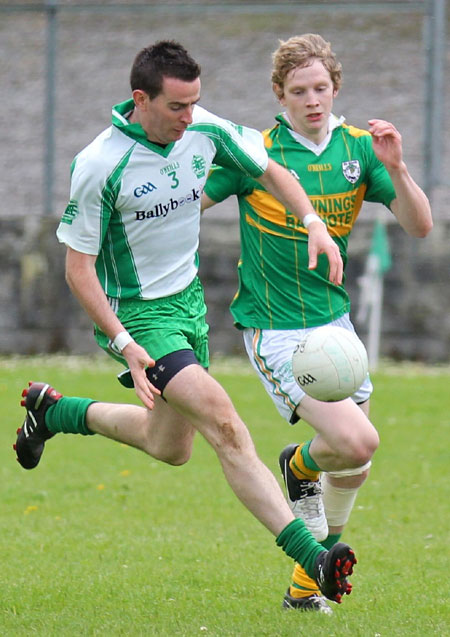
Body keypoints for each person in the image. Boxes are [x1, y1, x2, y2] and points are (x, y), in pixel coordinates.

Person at [14, 40, 357, 608]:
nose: (189, 117)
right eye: (177, 107)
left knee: (170, 446)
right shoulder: (100, 165)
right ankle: (312, 559)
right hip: (140, 318)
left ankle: (55, 412)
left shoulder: (203, 128)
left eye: (195, 104)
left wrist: (313, 222)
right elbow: (78, 270)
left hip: (189, 305)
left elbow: (268, 167)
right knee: (225, 425)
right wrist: (125, 344)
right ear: (140, 100)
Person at [202, 34, 432, 612]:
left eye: (321, 88)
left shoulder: (358, 149)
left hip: (335, 328)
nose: (312, 100)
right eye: (299, 90)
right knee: (357, 441)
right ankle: (300, 462)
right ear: (279, 94)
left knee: (354, 462)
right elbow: (188, 205)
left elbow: (421, 225)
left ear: (335, 88)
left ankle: (305, 588)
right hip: (275, 328)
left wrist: (398, 171)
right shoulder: (255, 153)